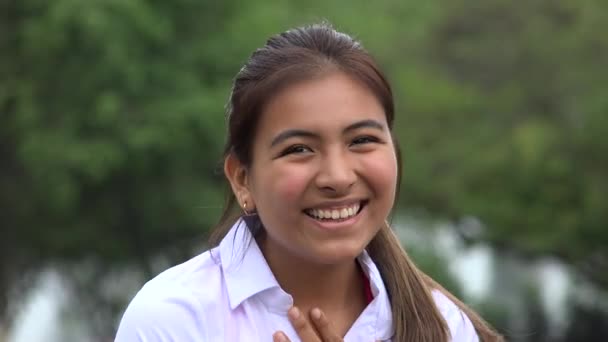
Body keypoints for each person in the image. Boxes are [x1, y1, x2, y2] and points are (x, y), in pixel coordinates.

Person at [114, 23, 503, 342]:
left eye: (362, 141)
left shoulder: (443, 328)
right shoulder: (173, 321)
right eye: (299, 149)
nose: (337, 177)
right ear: (242, 178)